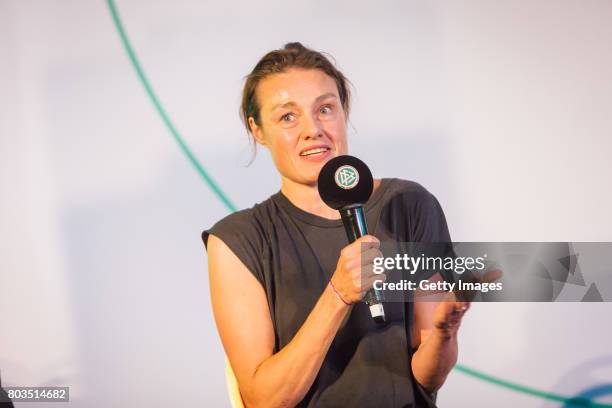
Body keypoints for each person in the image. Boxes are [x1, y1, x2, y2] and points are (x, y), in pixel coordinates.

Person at [202, 42, 471, 408]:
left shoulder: (407, 205)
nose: (313, 130)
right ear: (258, 130)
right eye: (287, 117)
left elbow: (428, 378)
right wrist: (338, 294)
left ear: (343, 113)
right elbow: (264, 400)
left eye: (325, 109)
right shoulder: (237, 240)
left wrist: (442, 335)